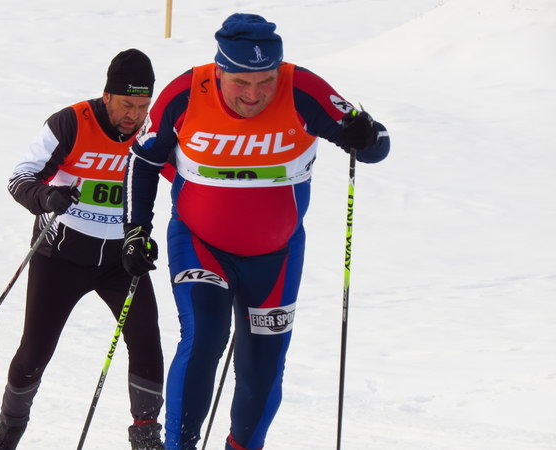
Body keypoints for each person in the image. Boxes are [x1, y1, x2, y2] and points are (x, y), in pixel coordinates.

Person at [120, 14, 390, 450]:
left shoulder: (303, 90)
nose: (254, 94)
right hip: (200, 243)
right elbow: (142, 160)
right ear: (220, 70)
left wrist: (366, 132)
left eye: (266, 81)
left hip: (276, 257)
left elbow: (376, 147)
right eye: (241, 82)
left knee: (263, 365)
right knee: (204, 335)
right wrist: (136, 230)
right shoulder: (185, 93)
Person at [0, 48, 166, 450]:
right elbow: (20, 178)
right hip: (60, 257)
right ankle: (8, 430)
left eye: (142, 106)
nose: (134, 116)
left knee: (146, 340)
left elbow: (184, 175)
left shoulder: (151, 131)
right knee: (35, 352)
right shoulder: (70, 122)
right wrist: (46, 197)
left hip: (120, 259)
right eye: (126, 105)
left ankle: (147, 435)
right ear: (107, 95)